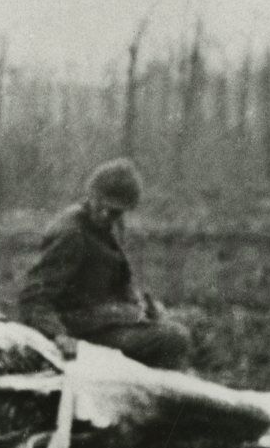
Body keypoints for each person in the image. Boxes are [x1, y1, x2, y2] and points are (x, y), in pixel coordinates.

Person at [18, 157, 192, 370]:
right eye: (101, 205)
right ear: (91, 195)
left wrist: (142, 306)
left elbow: (117, 277)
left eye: (115, 211)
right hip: (78, 330)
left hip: (104, 319)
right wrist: (59, 335)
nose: (105, 214)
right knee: (173, 339)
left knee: (174, 326)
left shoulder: (110, 226)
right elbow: (33, 297)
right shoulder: (72, 233)